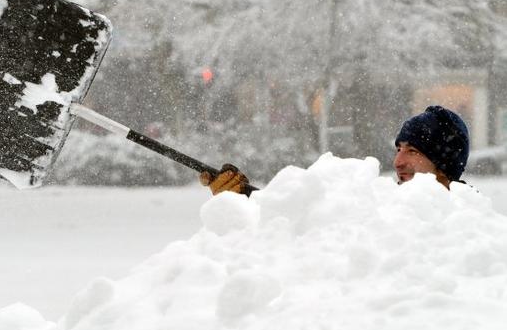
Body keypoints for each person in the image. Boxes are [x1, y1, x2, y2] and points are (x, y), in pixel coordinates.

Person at [200, 105, 470, 195]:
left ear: (444, 162)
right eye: (399, 149)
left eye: (412, 151)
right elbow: (318, 238)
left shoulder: (471, 232)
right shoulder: (380, 208)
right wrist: (245, 200)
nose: (398, 161)